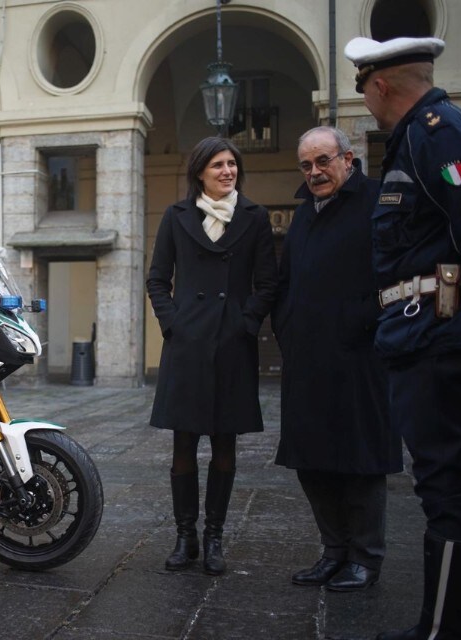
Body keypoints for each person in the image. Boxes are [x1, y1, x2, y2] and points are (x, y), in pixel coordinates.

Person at [343, 35, 461, 640]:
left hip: (438, 340)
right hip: (422, 337)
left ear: (380, 84)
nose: (365, 99)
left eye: (363, 87)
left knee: (445, 489)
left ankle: (438, 629)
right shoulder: (417, 137)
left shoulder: (437, 134)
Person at [272, 126, 402, 592]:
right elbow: (287, 280)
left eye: (323, 161)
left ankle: (364, 558)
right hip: (306, 357)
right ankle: (333, 551)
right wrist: (286, 327)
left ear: (348, 159)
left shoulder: (376, 201)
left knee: (359, 460)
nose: (314, 172)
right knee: (312, 460)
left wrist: (358, 321)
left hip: (359, 356)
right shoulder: (304, 213)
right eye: (306, 165)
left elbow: (395, 273)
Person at [146, 136, 278, 575]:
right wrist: (173, 324)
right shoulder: (176, 216)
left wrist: (246, 322)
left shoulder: (255, 217)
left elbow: (268, 283)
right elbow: (157, 279)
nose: (227, 171)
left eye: (232, 164)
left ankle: (214, 537)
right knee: (183, 444)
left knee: (225, 445)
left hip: (232, 346)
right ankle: (185, 537)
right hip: (187, 345)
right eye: (218, 164)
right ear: (200, 172)